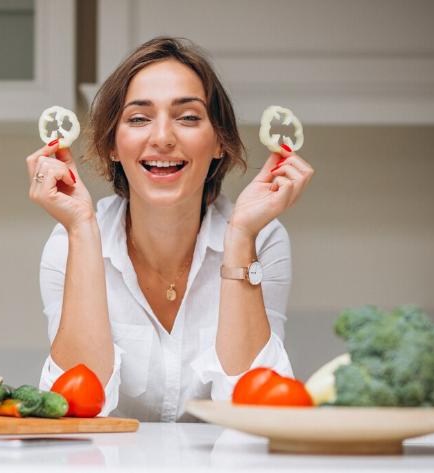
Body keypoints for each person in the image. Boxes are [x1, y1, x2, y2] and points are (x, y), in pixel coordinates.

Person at [25, 37, 314, 422]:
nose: (162, 137)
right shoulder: (68, 243)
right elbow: (74, 405)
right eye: (139, 118)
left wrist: (242, 235)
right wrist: (80, 230)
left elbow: (258, 407)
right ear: (112, 144)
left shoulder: (264, 238)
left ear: (219, 144)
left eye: (189, 117)